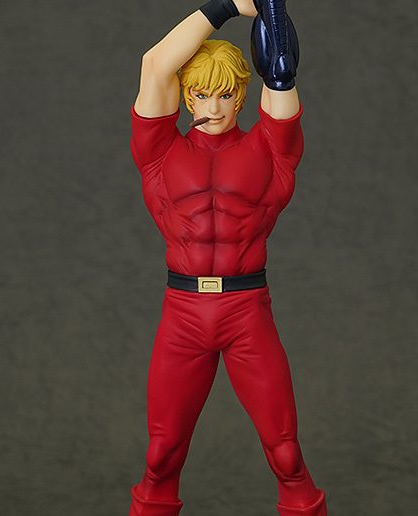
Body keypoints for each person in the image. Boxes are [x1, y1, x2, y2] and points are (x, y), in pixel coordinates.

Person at [129, 1, 327, 514]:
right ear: (185, 95)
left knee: (286, 456)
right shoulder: (159, 152)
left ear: (241, 95)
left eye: (224, 95)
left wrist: (271, 12)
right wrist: (228, 6)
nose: (212, 108)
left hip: (246, 313)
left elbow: (280, 77)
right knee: (161, 456)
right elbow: (156, 63)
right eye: (200, 94)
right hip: (183, 315)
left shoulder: (271, 150)